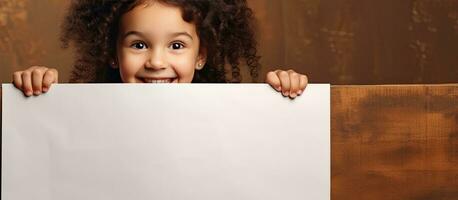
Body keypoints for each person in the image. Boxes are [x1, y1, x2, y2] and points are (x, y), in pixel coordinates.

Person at [12, 0, 308, 98]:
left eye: (176, 45)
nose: (156, 61)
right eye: (139, 44)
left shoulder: (228, 119)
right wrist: (37, 89)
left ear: (201, 55)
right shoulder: (86, 117)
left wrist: (285, 90)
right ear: (113, 54)